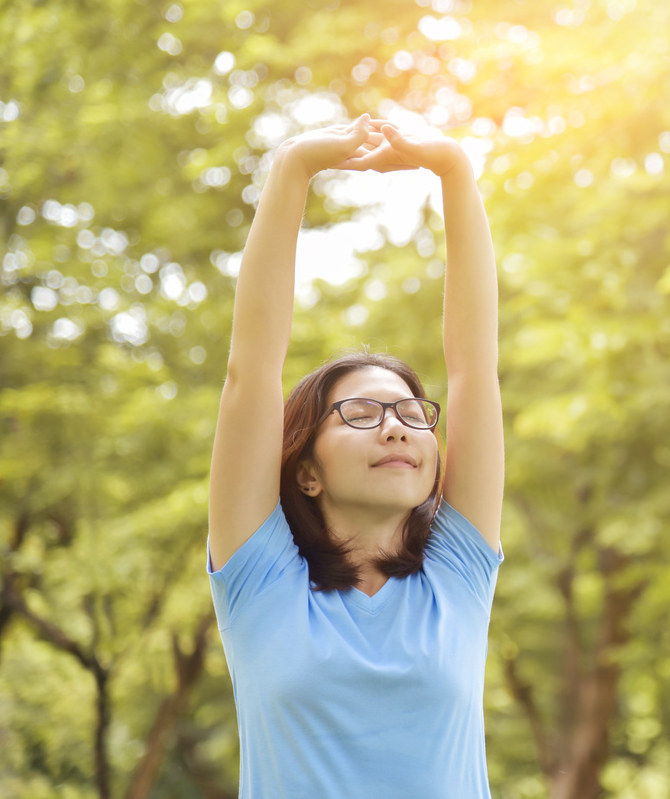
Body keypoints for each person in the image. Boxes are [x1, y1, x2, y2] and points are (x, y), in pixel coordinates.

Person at [206, 114, 504, 798]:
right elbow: (250, 370)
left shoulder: (456, 577)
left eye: (408, 414)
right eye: (360, 415)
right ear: (304, 468)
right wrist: (292, 169)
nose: (396, 429)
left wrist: (454, 170)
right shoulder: (261, 582)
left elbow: (473, 370)